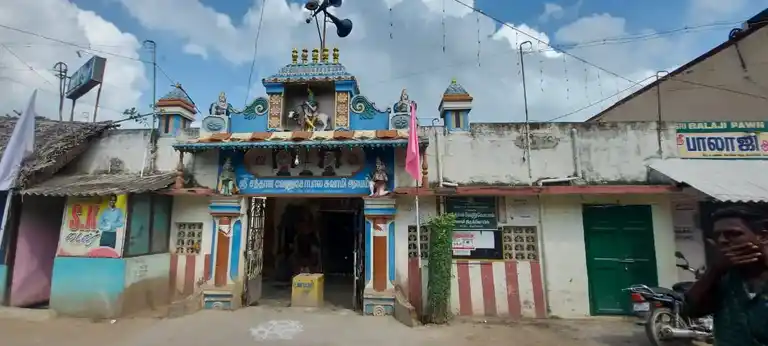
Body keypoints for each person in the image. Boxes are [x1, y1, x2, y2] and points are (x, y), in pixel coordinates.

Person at [685, 205, 768, 345]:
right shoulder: (721, 276)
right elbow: (691, 310)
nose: (722, 240)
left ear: (763, 237)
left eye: (734, 234)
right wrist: (714, 270)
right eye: (718, 235)